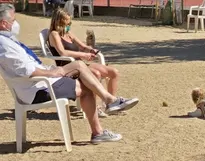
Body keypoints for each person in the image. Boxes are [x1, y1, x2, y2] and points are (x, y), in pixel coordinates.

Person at [0, 4, 139, 144]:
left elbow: (26, 67)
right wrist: (51, 72)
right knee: (85, 85)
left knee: (81, 69)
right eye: (13, 20)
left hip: (40, 83)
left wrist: (86, 50)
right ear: (4, 24)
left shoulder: (7, 40)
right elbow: (26, 70)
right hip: (38, 88)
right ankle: (103, 118)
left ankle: (108, 105)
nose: (16, 23)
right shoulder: (4, 44)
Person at [48, 9, 119, 117]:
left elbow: (82, 46)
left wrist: (90, 50)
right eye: (67, 22)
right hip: (69, 67)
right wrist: (83, 55)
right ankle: (94, 109)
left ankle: (112, 106)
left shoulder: (68, 33)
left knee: (114, 72)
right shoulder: (54, 34)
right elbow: (62, 52)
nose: (69, 24)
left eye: (70, 22)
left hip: (80, 64)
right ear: (59, 21)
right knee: (96, 74)